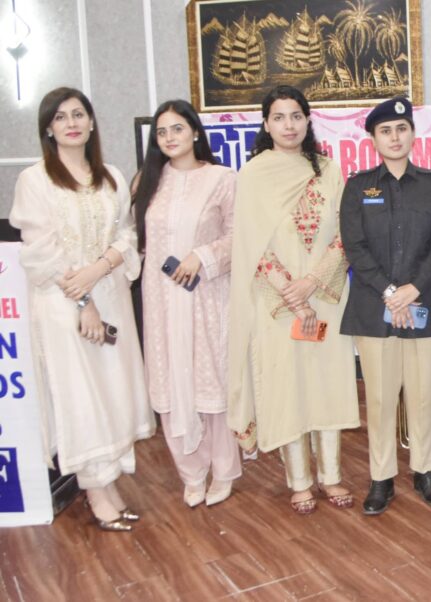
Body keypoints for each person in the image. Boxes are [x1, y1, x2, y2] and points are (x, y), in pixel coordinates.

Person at [10, 87, 154, 531]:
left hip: (111, 296)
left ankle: (108, 485)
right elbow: (41, 252)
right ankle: (96, 494)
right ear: (48, 130)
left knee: (112, 392)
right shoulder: (36, 180)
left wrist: (100, 268)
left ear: (91, 123)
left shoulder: (110, 176)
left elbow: (127, 235)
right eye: (60, 117)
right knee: (82, 397)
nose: (70, 123)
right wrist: (84, 301)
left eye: (78, 114)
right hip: (65, 305)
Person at [226, 85, 359, 515]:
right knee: (287, 387)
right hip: (276, 303)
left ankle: (331, 475)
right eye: (279, 117)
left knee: (327, 383)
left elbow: (345, 234)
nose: (289, 125)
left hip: (326, 296)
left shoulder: (328, 170)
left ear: (308, 120)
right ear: (266, 124)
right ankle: (299, 480)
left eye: (296, 116)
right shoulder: (253, 175)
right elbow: (252, 246)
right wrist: (293, 293)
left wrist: (312, 282)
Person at [340, 96, 431, 515]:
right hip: (374, 307)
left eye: (401, 129)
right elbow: (354, 246)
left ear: (412, 134)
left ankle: (425, 471)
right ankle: (381, 477)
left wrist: (413, 288)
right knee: (379, 398)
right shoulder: (358, 187)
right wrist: (391, 292)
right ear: (373, 139)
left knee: (423, 395)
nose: (394, 137)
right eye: (385, 131)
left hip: (427, 302)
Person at [133, 99, 240, 508]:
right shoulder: (148, 181)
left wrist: (203, 256)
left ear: (195, 132)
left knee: (210, 382)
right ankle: (191, 473)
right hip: (161, 301)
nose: (169, 137)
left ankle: (223, 470)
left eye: (177, 128)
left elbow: (238, 235)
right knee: (169, 381)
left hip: (206, 296)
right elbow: (134, 239)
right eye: (161, 132)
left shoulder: (221, 178)